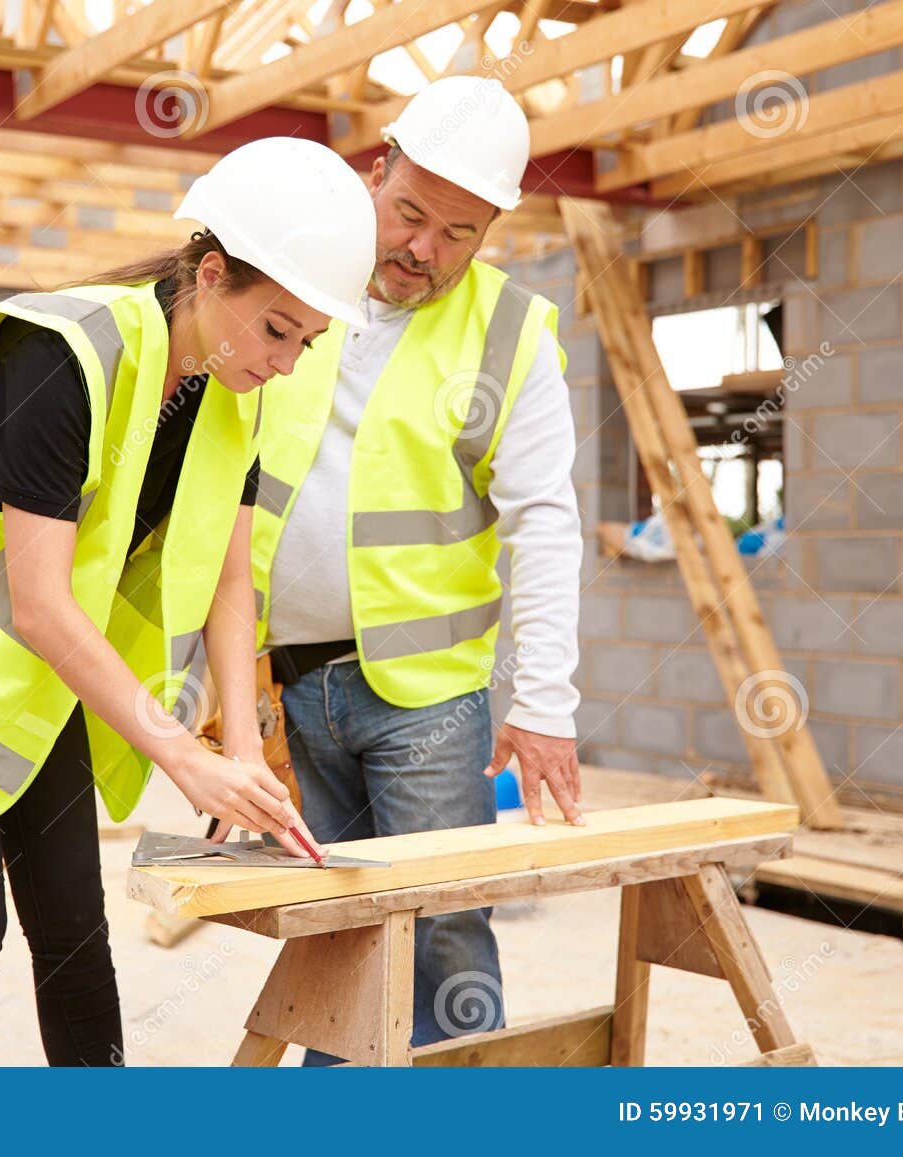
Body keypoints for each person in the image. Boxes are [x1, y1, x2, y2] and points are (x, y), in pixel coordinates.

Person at [0, 137, 377, 1067]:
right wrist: (179, 754)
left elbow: (225, 576)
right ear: (211, 276)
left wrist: (243, 757)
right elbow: (43, 605)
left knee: (73, 929)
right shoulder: (61, 356)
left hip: (28, 674)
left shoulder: (232, 391)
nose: (288, 363)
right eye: (277, 329)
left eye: (308, 341)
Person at [247, 78, 585, 1062]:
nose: (422, 251)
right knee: (336, 924)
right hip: (290, 680)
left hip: (428, 700)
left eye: (458, 233)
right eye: (408, 214)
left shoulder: (510, 332)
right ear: (374, 170)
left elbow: (546, 520)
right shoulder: (291, 283)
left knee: (440, 928)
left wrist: (546, 699)